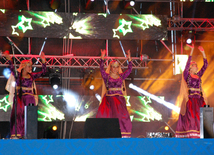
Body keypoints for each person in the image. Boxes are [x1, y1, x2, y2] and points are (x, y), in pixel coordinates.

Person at [4, 51, 46, 139]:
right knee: (18, 116)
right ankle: (17, 134)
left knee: (29, 117)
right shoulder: (17, 75)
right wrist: (10, 60)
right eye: (29, 66)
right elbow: (12, 68)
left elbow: (43, 72)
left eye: (31, 66)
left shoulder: (32, 76)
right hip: (20, 98)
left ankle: (28, 134)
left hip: (30, 99)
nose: (31, 68)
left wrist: (43, 62)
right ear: (24, 66)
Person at [96, 49, 132, 138]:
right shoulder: (106, 77)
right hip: (109, 100)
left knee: (122, 118)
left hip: (119, 100)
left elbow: (129, 70)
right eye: (113, 66)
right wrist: (102, 58)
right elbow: (101, 69)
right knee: (107, 117)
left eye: (117, 66)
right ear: (110, 67)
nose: (115, 68)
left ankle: (123, 135)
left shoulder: (121, 76)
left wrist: (129, 59)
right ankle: (106, 134)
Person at [175, 44, 208, 138]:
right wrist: (192, 51)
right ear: (190, 67)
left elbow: (205, 65)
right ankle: (191, 136)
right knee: (192, 118)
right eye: (194, 65)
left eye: (196, 65)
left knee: (201, 118)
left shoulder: (198, 75)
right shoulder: (187, 75)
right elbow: (186, 64)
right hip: (191, 100)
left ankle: (201, 136)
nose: (196, 66)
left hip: (199, 99)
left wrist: (203, 52)